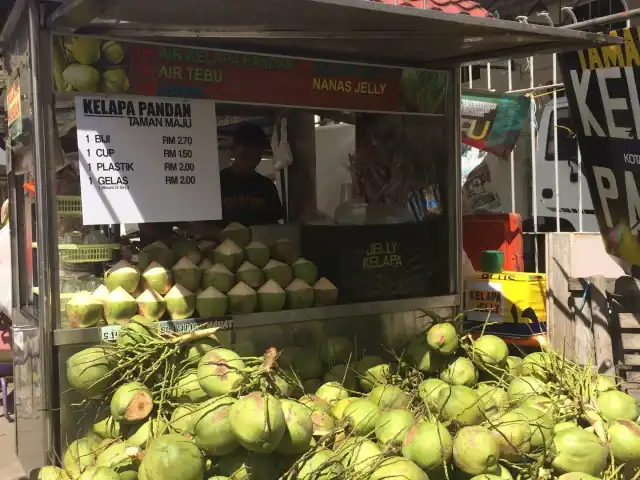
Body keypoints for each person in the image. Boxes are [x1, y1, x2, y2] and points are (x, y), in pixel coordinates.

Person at [139, 122, 283, 244]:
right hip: (216, 251)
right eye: (245, 154)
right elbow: (195, 225)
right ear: (233, 151)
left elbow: (274, 226)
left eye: (256, 155)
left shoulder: (267, 187)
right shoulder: (214, 183)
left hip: (258, 252)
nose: (250, 161)